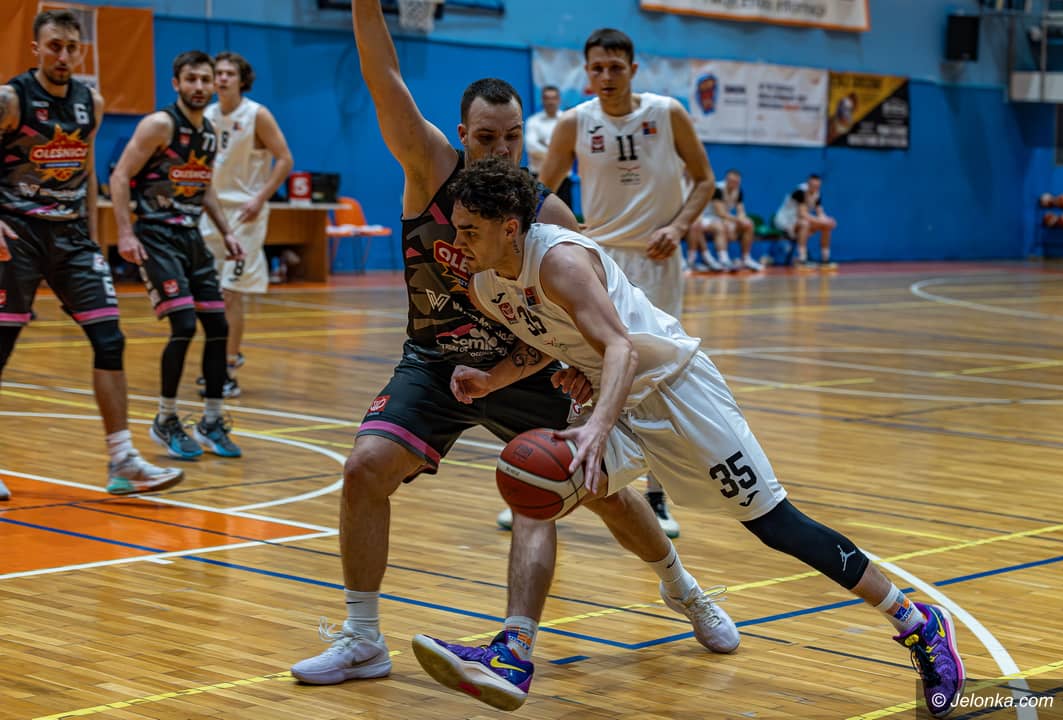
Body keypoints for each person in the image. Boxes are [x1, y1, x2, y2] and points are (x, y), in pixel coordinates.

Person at [291, 1, 738, 703]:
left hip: (524, 366)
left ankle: (682, 588)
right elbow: (383, 75)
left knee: (600, 496)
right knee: (363, 468)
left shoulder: (547, 213)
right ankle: (362, 637)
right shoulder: (428, 167)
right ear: (461, 134)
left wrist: (585, 375)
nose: (499, 150)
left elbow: (593, 317)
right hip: (437, 361)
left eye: (510, 138)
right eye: (485, 138)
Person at [421, 158, 965, 718]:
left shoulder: (559, 260)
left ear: (510, 228)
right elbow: (544, 337)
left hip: (675, 389)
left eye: (469, 231)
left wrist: (596, 424)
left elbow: (622, 347)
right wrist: (492, 379)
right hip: (613, 393)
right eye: (457, 229)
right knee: (540, 487)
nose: (457, 243)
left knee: (776, 526)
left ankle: (918, 623)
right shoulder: (485, 286)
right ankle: (514, 652)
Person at [539, 28, 717, 538]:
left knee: (656, 374)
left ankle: (657, 496)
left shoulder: (667, 113)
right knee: (579, 369)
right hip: (597, 261)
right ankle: (552, 482)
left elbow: (704, 180)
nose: (606, 76)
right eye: (597, 68)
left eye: (615, 67)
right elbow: (538, 192)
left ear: (633, 70)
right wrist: (569, 232)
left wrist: (678, 227)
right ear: (586, 72)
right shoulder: (574, 123)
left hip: (656, 258)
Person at [0, 9, 184, 496]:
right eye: (54, 46)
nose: (63, 56)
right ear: (36, 49)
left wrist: (98, 239)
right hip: (17, 234)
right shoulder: (11, 99)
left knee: (109, 340)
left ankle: (122, 461)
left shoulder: (90, 102)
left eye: (71, 47)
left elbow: (86, 174)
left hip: (72, 238)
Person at [109, 50, 245, 461]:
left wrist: (227, 232)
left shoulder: (209, 133)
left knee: (218, 326)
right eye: (191, 79)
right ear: (176, 83)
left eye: (205, 79)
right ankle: (166, 418)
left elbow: (204, 188)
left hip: (190, 237)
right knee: (184, 324)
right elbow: (119, 176)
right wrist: (125, 233)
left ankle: (211, 421)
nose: (199, 87)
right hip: (156, 236)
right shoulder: (160, 124)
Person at [196, 51, 294, 398]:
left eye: (228, 73)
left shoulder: (256, 115)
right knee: (208, 295)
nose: (221, 78)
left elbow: (285, 159)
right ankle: (215, 360)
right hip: (210, 213)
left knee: (230, 293)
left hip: (244, 215)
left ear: (241, 80)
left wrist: (260, 198)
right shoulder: (205, 115)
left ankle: (226, 365)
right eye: (217, 73)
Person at [687, 169, 762, 273]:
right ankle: (723, 259)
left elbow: (741, 211)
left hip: (722, 218)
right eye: (731, 181)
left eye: (736, 182)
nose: (733, 183)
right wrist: (736, 220)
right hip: (707, 217)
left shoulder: (738, 191)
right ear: (726, 180)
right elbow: (720, 212)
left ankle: (746, 258)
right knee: (720, 227)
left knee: (748, 224)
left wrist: (742, 219)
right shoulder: (717, 189)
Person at [774, 173, 838, 269]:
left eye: (817, 186)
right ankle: (802, 259)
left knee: (826, 226)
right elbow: (802, 214)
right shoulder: (800, 192)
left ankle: (825, 259)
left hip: (799, 221)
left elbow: (820, 213)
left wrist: (828, 221)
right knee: (805, 224)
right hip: (785, 222)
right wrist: (822, 221)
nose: (815, 188)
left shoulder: (817, 194)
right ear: (808, 184)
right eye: (813, 186)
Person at [524, 85, 572, 210]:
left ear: (559, 100)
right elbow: (532, 148)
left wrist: (545, 144)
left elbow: (571, 146)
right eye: (547, 98)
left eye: (553, 98)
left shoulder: (568, 120)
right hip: (538, 177)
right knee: (538, 214)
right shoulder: (533, 121)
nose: (550, 102)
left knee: (565, 215)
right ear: (542, 100)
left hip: (563, 178)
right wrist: (557, 152)